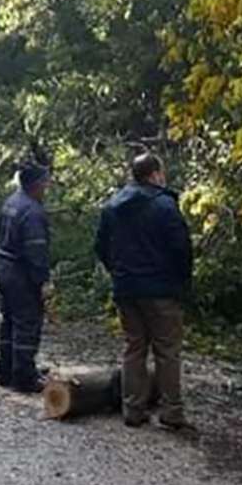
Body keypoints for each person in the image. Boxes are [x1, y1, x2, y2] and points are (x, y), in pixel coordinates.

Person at [95, 153, 193, 431]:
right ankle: (171, 412)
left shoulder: (113, 206)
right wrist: (182, 282)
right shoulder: (164, 205)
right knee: (167, 350)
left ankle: (133, 409)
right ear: (155, 174)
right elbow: (181, 248)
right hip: (161, 289)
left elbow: (100, 246)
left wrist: (117, 271)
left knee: (134, 348)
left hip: (126, 288)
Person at [0, 162, 52, 393]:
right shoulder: (32, 211)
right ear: (36, 184)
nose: (47, 187)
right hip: (22, 274)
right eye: (45, 183)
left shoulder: (10, 202)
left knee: (9, 322)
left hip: (4, 268)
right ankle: (24, 376)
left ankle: (5, 371)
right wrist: (42, 281)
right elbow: (35, 251)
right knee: (27, 324)